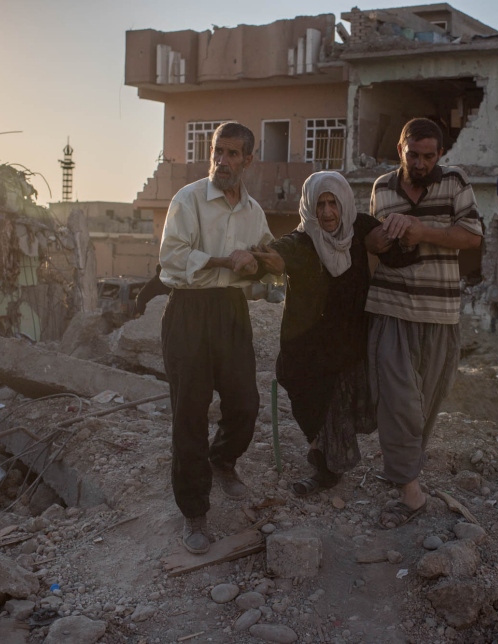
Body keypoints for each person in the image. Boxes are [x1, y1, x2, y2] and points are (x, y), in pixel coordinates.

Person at [159, 121, 273, 554]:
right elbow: (171, 257)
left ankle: (222, 460)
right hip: (189, 311)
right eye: (217, 151)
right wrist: (230, 260)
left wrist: (263, 264)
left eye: (231, 154)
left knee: (245, 402)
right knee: (189, 414)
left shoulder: (253, 212)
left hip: (231, 312)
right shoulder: (188, 199)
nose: (222, 161)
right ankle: (194, 513)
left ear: (248, 159)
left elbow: (264, 260)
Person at [363, 118, 483, 529]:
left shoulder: (455, 182)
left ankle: (404, 469)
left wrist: (422, 231)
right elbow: (371, 246)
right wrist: (375, 242)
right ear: (400, 149)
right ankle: (410, 493)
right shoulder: (381, 188)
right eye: (412, 154)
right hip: (391, 307)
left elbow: (471, 236)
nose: (420, 163)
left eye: (429, 156)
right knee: (397, 401)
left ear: (440, 154)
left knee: (425, 405)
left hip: (440, 313)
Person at [251, 172, 379, 495]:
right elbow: (280, 254)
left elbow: (390, 246)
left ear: (344, 204)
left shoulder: (361, 229)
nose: (326, 213)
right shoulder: (303, 240)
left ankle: (326, 470)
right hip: (308, 347)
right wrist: (266, 261)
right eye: (319, 204)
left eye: (332, 203)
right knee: (307, 400)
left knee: (338, 408)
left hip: (351, 344)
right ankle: (326, 459)